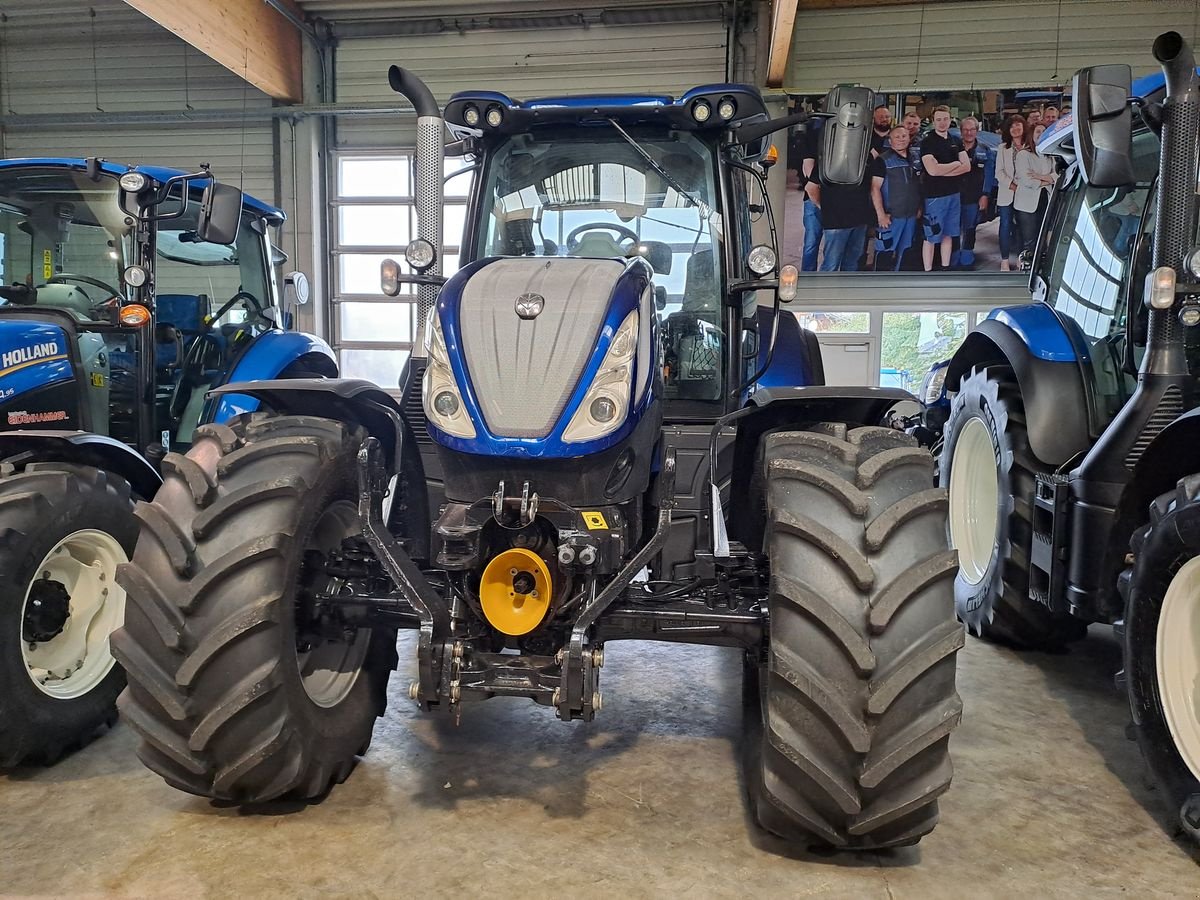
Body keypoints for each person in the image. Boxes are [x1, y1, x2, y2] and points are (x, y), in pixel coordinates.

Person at [805, 153, 886, 272]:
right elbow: (810, 187)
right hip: (837, 221)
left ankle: (844, 290)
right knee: (831, 265)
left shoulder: (866, 158)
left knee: (851, 265)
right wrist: (824, 207)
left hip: (859, 220)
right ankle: (824, 291)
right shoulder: (829, 159)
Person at [919, 105, 970, 271]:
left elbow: (967, 167)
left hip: (954, 194)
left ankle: (945, 267)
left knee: (949, 233)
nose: (942, 123)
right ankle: (928, 270)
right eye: (938, 120)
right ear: (933, 121)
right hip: (935, 196)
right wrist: (955, 165)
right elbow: (932, 170)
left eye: (945, 119)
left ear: (951, 120)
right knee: (931, 235)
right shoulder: (927, 142)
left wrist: (943, 169)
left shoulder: (955, 141)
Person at [874, 126, 921, 271]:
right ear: (890, 140)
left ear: (909, 138)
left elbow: (919, 185)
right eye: (897, 137)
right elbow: (874, 188)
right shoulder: (882, 160)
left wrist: (919, 207)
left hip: (911, 216)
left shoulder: (915, 160)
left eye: (904, 136)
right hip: (891, 217)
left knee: (906, 254)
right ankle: (880, 290)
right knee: (885, 254)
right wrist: (881, 215)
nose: (901, 139)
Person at [951, 116, 996, 268]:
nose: (969, 133)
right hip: (954, 196)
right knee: (953, 229)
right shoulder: (953, 148)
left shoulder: (985, 150)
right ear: (961, 131)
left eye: (972, 129)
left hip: (974, 197)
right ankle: (952, 259)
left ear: (977, 131)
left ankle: (967, 259)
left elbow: (989, 175)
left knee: (970, 228)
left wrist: (985, 195)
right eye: (965, 129)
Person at [1014, 122, 1057, 255]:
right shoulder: (1023, 155)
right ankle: (1027, 269)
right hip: (1027, 204)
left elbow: (1057, 175)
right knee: (1029, 241)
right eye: (1038, 131)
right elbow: (1027, 181)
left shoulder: (1050, 155)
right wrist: (1047, 179)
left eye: (1044, 131)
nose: (1041, 134)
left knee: (1043, 236)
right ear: (1031, 135)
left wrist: (1039, 176)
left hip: (1045, 200)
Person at [994, 114, 1027, 271]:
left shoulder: (1030, 146)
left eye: (1018, 125)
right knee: (1005, 225)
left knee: (1022, 226)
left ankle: (1021, 257)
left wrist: (1024, 186)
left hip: (1026, 193)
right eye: (1012, 126)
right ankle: (1005, 260)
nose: (1015, 128)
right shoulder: (1003, 148)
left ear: (1023, 126)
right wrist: (1012, 185)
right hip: (1007, 192)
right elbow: (998, 172)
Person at [800, 119, 823, 271]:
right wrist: (819, 200)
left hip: (835, 198)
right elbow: (808, 170)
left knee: (831, 243)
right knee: (811, 242)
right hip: (814, 196)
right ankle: (808, 277)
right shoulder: (814, 136)